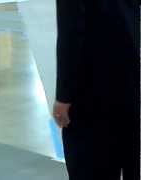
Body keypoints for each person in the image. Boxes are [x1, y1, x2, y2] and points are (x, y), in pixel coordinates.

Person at [53, 0, 139, 179]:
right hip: (129, 78)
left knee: (91, 163)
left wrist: (64, 96)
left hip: (91, 88)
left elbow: (71, 31)